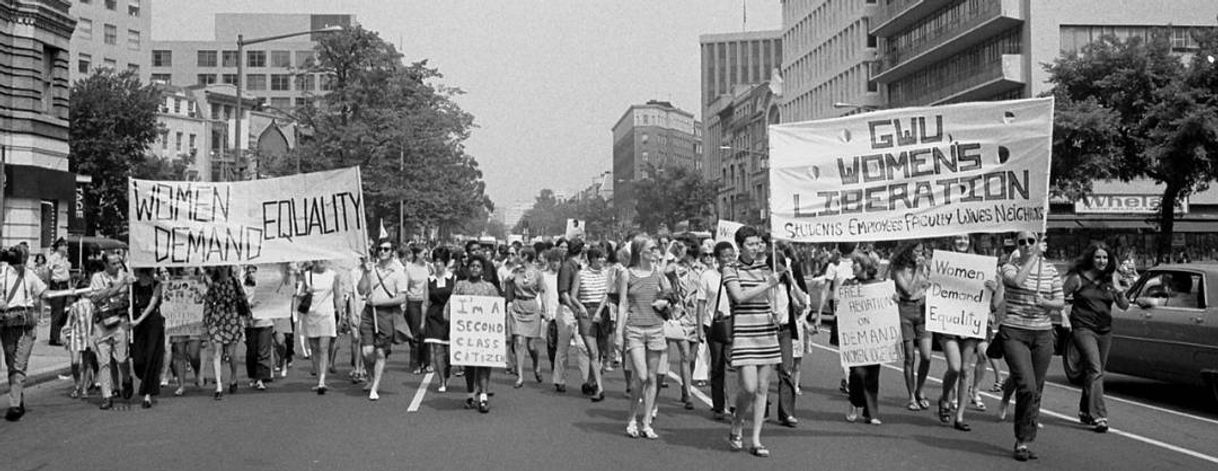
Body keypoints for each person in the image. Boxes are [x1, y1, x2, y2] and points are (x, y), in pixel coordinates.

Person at [1000, 231, 1065, 461]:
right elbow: (1016, 281)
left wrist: (1046, 302)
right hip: (1014, 331)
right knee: (1026, 385)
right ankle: (1021, 434)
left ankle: (1023, 441)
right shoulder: (1009, 265)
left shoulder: (1050, 270)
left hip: (1042, 333)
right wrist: (1034, 257)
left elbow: (1060, 301)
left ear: (1038, 242)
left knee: (1036, 388)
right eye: (1022, 242)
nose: (1027, 245)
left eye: (1031, 241)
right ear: (1016, 245)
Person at [723, 226, 784, 457]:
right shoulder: (731, 269)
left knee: (762, 388)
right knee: (747, 387)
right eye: (750, 244)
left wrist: (776, 309)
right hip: (745, 331)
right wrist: (767, 284)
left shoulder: (765, 267)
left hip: (766, 331)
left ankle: (756, 438)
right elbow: (738, 296)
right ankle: (737, 423)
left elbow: (771, 295)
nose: (755, 248)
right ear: (740, 246)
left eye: (758, 244)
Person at [1063, 242, 1129, 433]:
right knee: (1094, 368)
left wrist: (1120, 293)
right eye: (1098, 257)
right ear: (1091, 259)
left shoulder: (1112, 278)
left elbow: (1124, 306)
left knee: (1095, 372)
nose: (1102, 261)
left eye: (1105, 258)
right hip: (1083, 328)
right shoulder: (1078, 278)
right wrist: (1062, 316)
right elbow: (1059, 296)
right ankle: (1099, 415)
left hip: (1104, 330)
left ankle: (1085, 410)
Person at [615, 234, 672, 440]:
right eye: (652, 249)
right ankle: (631, 418)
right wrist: (618, 333)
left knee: (652, 377)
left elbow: (669, 293)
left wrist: (665, 302)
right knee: (641, 376)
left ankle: (646, 422)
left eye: (656, 248)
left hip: (655, 328)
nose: (656, 252)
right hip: (635, 329)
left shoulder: (658, 272)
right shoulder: (627, 274)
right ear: (641, 252)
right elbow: (622, 304)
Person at [1, 244, 49, 420]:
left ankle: (14, 405)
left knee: (19, 364)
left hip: (26, 323)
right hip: (7, 324)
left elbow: (44, 292)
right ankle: (18, 395)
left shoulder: (29, 274)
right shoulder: (3, 274)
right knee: (11, 361)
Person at [356, 241, 409, 401]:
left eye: (386, 249)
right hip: (368, 313)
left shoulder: (399, 272)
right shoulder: (372, 269)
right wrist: (366, 273)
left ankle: (375, 386)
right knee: (367, 351)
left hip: (386, 314)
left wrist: (380, 303)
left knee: (380, 352)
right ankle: (370, 376)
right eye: (380, 249)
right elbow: (361, 290)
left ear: (392, 252)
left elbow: (401, 297)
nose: (382, 252)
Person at [451, 255, 500, 413]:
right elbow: (451, 307)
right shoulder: (460, 286)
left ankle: (483, 397)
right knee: (469, 366)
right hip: (466, 335)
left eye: (478, 266)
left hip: (484, 334)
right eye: (472, 266)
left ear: (482, 270)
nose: (474, 269)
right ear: (468, 268)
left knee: (484, 365)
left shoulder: (490, 288)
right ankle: (470, 395)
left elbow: (497, 310)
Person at [844, 252, 885, 425]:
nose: (853, 266)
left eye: (857, 263)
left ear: (866, 266)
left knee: (872, 375)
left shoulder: (880, 285)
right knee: (858, 373)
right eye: (853, 263)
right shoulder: (849, 284)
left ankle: (871, 412)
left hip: (874, 337)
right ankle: (854, 402)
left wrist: (893, 299)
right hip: (856, 336)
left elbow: (886, 307)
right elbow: (842, 306)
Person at [892, 241, 933, 412]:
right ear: (908, 251)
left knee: (927, 356)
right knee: (909, 356)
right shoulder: (898, 268)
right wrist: (917, 270)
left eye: (921, 251)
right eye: (916, 251)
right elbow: (908, 290)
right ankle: (911, 396)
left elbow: (933, 285)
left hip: (923, 310)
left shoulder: (927, 266)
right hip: (905, 310)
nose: (919, 254)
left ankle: (920, 389)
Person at [89, 252, 134, 410]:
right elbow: (97, 297)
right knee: (103, 361)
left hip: (120, 322)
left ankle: (127, 379)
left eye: (118, 263)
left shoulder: (127, 275)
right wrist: (120, 285)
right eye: (113, 263)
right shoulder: (97, 278)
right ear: (106, 265)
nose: (117, 266)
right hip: (102, 324)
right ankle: (107, 396)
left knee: (122, 358)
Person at [698, 241, 736, 420]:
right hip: (714, 325)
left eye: (731, 255)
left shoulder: (739, 275)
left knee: (734, 366)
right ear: (717, 258)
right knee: (718, 365)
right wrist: (699, 328)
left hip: (735, 324)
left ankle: (735, 404)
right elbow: (701, 303)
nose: (729, 259)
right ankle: (718, 406)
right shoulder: (708, 276)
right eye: (725, 256)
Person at [772, 243, 808, 428]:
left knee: (786, 371)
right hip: (767, 331)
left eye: (783, 265)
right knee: (761, 375)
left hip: (784, 331)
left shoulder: (787, 286)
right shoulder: (766, 285)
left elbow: (803, 300)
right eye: (778, 265)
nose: (781, 268)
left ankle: (787, 413)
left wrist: (791, 279)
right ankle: (761, 408)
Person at [664, 238, 703, 411]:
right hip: (680, 316)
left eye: (683, 247)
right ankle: (688, 393)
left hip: (697, 317)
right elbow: (662, 271)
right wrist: (670, 250)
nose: (681, 250)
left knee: (693, 357)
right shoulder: (675, 268)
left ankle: (684, 386)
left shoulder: (702, 269)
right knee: (685, 355)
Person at [572, 245, 610, 401]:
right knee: (592, 352)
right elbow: (573, 295)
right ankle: (600, 389)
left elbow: (607, 294)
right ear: (592, 259)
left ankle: (590, 381)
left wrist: (600, 312)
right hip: (586, 312)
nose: (602, 260)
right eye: (599, 257)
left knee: (600, 351)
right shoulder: (581, 274)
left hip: (601, 312)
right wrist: (580, 306)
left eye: (603, 257)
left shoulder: (607, 273)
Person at [203, 266, 246, 400]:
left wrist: (248, 316)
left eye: (224, 266)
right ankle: (219, 386)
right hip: (217, 318)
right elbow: (208, 303)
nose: (222, 268)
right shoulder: (213, 284)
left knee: (231, 353)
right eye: (220, 266)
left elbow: (243, 298)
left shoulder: (235, 281)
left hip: (232, 317)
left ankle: (233, 377)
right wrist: (206, 319)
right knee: (217, 351)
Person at [554, 240, 590, 393]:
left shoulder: (580, 267)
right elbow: (563, 292)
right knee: (563, 347)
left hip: (579, 309)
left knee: (583, 346)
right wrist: (573, 307)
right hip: (568, 310)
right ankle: (559, 379)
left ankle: (587, 380)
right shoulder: (567, 266)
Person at [508, 248, 547, 388]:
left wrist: (545, 309)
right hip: (518, 305)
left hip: (531, 306)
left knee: (531, 345)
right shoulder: (516, 271)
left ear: (526, 257)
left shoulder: (537, 273)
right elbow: (506, 283)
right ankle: (520, 376)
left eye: (520, 255)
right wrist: (510, 278)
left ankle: (536, 364)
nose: (518, 258)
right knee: (518, 341)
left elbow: (542, 291)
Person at [130, 267, 165, 408]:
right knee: (138, 360)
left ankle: (147, 394)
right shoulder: (133, 286)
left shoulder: (156, 284)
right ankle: (149, 380)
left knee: (151, 356)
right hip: (138, 325)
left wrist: (138, 320)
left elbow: (152, 305)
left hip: (152, 323)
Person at [423, 247, 456, 392]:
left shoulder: (453, 279)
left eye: (440, 261)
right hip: (434, 316)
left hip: (450, 317)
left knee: (448, 351)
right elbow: (425, 302)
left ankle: (447, 369)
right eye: (435, 261)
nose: (437, 264)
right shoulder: (429, 280)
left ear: (446, 262)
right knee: (437, 349)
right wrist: (422, 322)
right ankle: (442, 381)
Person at [242, 266, 274, 392]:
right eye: (249, 272)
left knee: (263, 351)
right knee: (252, 352)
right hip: (250, 322)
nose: (251, 274)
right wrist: (249, 304)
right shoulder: (244, 287)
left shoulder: (266, 285)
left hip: (265, 321)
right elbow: (241, 302)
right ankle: (253, 376)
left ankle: (261, 378)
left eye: (253, 271)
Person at [405, 246, 431, 375]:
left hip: (426, 302)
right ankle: (415, 363)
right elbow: (405, 287)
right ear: (417, 255)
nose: (426, 255)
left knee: (426, 333)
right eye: (424, 253)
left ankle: (426, 362)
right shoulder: (409, 269)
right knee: (416, 334)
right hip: (413, 302)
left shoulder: (429, 267)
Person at [47, 238, 72, 346]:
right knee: (57, 312)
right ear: (59, 247)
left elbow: (67, 273)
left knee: (62, 312)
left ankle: (56, 334)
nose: (66, 248)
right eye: (64, 245)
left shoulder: (64, 259)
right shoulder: (54, 258)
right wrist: (48, 286)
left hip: (64, 285)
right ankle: (54, 337)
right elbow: (49, 272)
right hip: (57, 285)